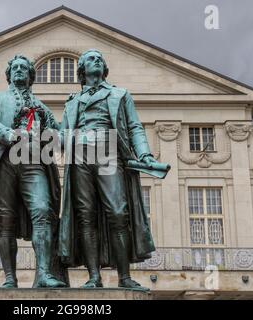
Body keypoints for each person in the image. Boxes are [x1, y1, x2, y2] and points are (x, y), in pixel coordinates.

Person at [58, 49, 157, 290]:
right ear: (81, 70)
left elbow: (134, 127)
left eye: (100, 59)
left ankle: (124, 276)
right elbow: (62, 135)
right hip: (79, 155)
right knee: (85, 215)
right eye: (91, 58)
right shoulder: (72, 101)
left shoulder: (120, 94)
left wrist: (144, 153)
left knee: (118, 212)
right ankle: (94, 277)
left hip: (108, 149)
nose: (97, 61)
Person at [0, 55, 66, 288]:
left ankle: (45, 274)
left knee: (42, 211)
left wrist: (73, 115)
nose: (19, 70)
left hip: (34, 161)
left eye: (24, 68)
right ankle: (10, 278)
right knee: (5, 220)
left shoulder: (42, 107)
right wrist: (10, 135)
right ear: (9, 74)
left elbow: (59, 135)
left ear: (30, 75)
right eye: (15, 67)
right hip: (5, 160)